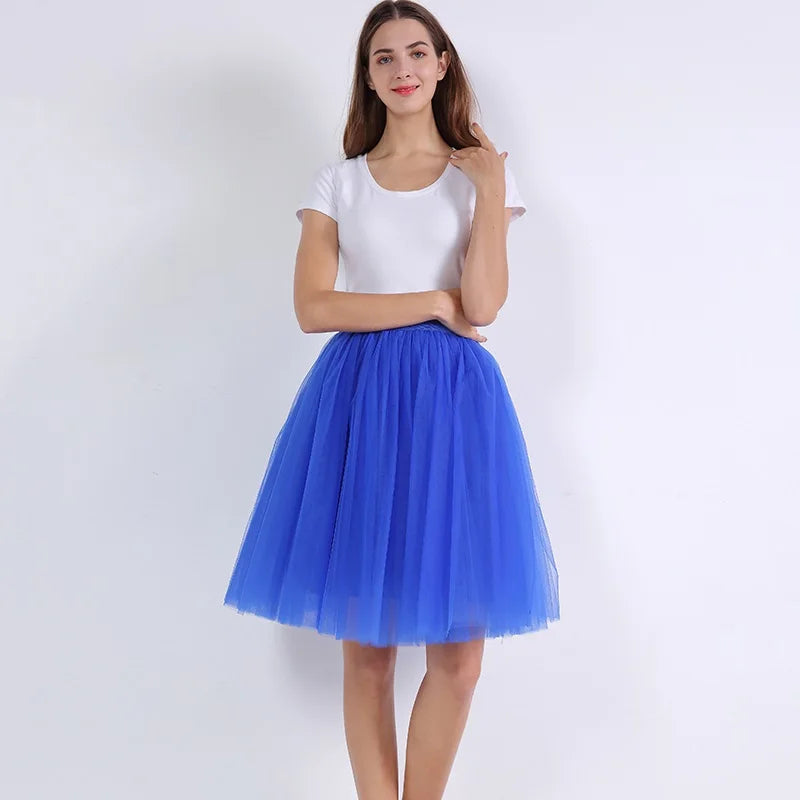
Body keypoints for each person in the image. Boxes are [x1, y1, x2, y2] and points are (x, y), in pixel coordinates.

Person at [223, 2, 560, 797]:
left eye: (416, 52)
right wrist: (433, 302)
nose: (402, 69)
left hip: (456, 411)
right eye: (384, 57)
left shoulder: (480, 177)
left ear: (442, 64)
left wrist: (489, 194)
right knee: (368, 652)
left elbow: (483, 304)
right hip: (361, 406)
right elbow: (315, 308)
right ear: (368, 76)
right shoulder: (338, 182)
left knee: (459, 660)